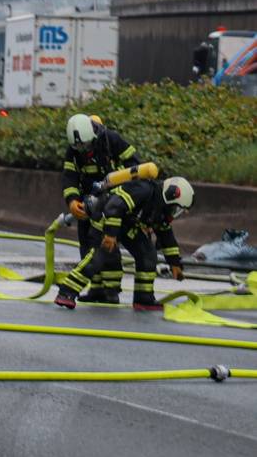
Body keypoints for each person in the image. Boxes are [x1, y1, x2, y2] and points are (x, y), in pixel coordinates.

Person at [57, 172, 192, 312]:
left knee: (147, 255)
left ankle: (143, 298)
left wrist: (174, 263)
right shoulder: (143, 189)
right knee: (98, 257)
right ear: (171, 196)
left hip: (127, 226)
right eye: (176, 207)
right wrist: (110, 235)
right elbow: (114, 207)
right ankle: (67, 292)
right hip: (107, 221)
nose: (175, 212)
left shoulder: (160, 208)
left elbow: (166, 236)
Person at [61, 113, 138, 302]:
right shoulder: (73, 150)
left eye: (86, 146)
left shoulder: (111, 140)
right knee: (87, 246)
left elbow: (135, 167)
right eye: (79, 147)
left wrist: (121, 197)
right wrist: (72, 201)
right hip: (88, 204)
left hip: (112, 202)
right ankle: (96, 289)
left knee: (106, 246)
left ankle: (111, 292)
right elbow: (69, 177)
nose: (83, 151)